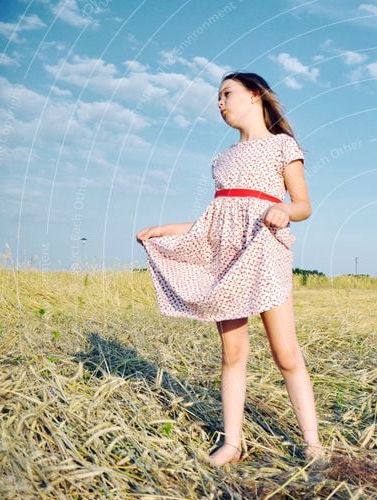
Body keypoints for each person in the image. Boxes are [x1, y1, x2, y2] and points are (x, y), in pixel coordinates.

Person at [136, 71, 324, 468]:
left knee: (285, 352)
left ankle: (312, 443)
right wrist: (163, 230)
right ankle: (232, 444)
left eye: (227, 94)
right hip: (227, 259)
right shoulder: (220, 160)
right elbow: (214, 220)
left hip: (265, 252)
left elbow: (304, 204)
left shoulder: (281, 146)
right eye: (218, 98)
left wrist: (283, 210)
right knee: (233, 352)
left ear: (255, 94)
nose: (220, 103)